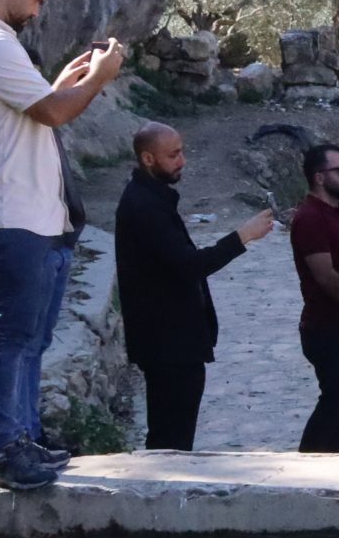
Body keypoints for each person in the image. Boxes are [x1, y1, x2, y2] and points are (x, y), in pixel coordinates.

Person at [0, 0, 129, 492]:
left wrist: (71, 77)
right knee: (12, 336)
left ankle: (23, 437)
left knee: (31, 338)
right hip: (9, 216)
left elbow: (39, 101)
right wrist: (98, 78)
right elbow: (53, 112)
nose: (38, 10)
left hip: (31, 216)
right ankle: (2, 448)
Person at [113, 123, 275, 451]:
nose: (182, 161)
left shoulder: (153, 198)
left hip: (174, 340)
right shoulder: (144, 206)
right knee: (170, 438)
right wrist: (243, 235)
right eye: (173, 155)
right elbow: (191, 266)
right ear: (147, 158)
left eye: (182, 151)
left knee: (175, 433)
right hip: (167, 343)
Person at [290, 142, 339, 454]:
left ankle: (336, 467)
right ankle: (307, 466)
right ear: (319, 177)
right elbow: (325, 275)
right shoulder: (310, 217)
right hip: (329, 327)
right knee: (336, 400)